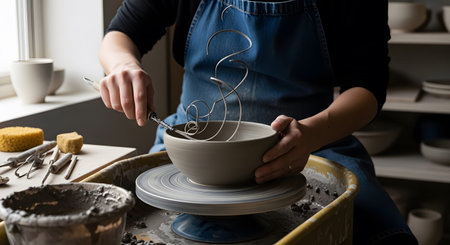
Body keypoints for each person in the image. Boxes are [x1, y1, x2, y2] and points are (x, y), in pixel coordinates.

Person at [98, 0, 417, 244]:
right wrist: (122, 65)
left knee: (382, 234)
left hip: (310, 140)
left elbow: (368, 87)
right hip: (192, 142)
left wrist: (311, 133)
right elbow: (121, 34)